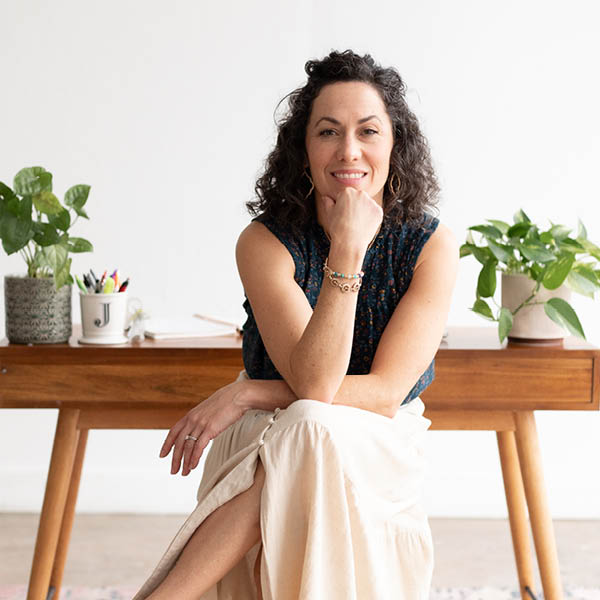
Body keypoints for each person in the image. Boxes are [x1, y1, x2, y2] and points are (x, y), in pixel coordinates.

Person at [134, 49, 458, 600]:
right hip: (267, 433)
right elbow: (313, 383)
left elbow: (383, 396)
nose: (349, 150)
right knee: (309, 426)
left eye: (368, 132)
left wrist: (248, 394)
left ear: (394, 145)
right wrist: (346, 251)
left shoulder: (431, 245)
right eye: (328, 132)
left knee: (310, 423)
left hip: (379, 438)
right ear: (302, 149)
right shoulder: (264, 243)